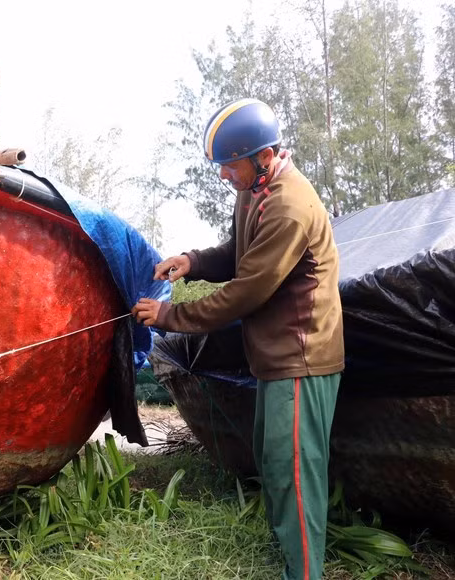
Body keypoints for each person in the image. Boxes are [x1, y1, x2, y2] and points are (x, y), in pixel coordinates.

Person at [132, 98, 344, 580]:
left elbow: (246, 292)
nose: (225, 176)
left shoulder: (291, 206)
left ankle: (304, 573)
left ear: (263, 156)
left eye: (230, 166)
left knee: (295, 475)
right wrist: (193, 261)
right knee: (273, 461)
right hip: (274, 357)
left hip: (301, 356)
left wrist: (168, 314)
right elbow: (238, 252)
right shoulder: (254, 190)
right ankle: (285, 553)